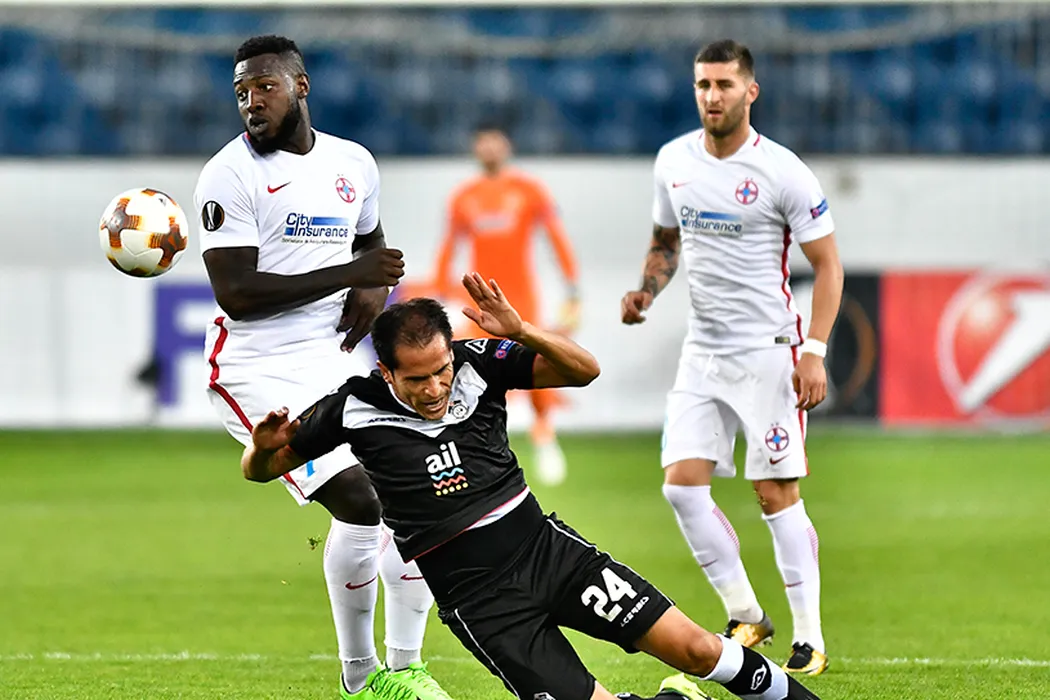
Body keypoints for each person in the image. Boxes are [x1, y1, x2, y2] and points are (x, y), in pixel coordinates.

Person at [240, 273, 824, 700]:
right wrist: (262, 450)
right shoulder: (350, 408)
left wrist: (522, 330)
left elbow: (584, 370)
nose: (435, 388)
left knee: (697, 648)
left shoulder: (477, 362)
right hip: (482, 603)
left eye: (442, 370)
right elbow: (261, 470)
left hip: (549, 554)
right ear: (386, 372)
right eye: (417, 380)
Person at [193, 34, 451, 700]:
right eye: (241, 91)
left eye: (265, 86)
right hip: (255, 365)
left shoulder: (353, 163)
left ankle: (406, 667)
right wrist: (350, 274)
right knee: (361, 498)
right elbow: (237, 294)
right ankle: (360, 679)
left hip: (331, 359)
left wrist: (374, 286)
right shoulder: (229, 174)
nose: (252, 101)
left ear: (300, 87)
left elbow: (372, 244)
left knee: (419, 492)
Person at [620, 39, 844, 676]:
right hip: (703, 352)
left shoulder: (783, 172)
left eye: (724, 84)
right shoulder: (673, 161)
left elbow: (829, 267)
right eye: (702, 84)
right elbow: (666, 240)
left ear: (751, 91)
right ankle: (747, 614)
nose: (712, 96)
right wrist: (646, 291)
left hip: (769, 354)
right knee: (681, 487)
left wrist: (814, 352)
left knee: (774, 492)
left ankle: (810, 638)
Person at [432, 122, 580, 486]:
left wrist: (572, 286)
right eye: (482, 143)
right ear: (475, 148)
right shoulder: (463, 196)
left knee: (534, 361)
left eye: (494, 142)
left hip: (520, 297)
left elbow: (556, 238)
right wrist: (440, 289)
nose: (489, 149)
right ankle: (468, 446)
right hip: (479, 298)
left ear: (507, 146)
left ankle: (545, 436)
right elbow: (449, 246)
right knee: (468, 368)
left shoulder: (529, 190)